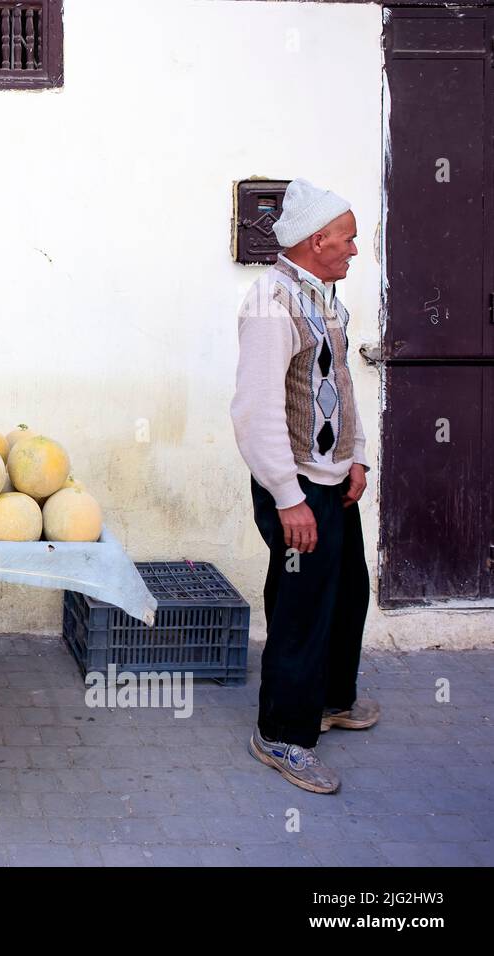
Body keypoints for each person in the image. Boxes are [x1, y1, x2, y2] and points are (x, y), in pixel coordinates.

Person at [230, 178, 380, 794]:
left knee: (346, 594)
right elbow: (256, 410)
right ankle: (283, 735)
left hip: (332, 481)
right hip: (296, 489)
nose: (353, 250)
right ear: (318, 240)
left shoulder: (325, 296)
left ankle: (330, 700)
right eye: (346, 239)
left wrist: (357, 458)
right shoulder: (271, 305)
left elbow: (340, 384)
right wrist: (289, 498)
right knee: (300, 608)